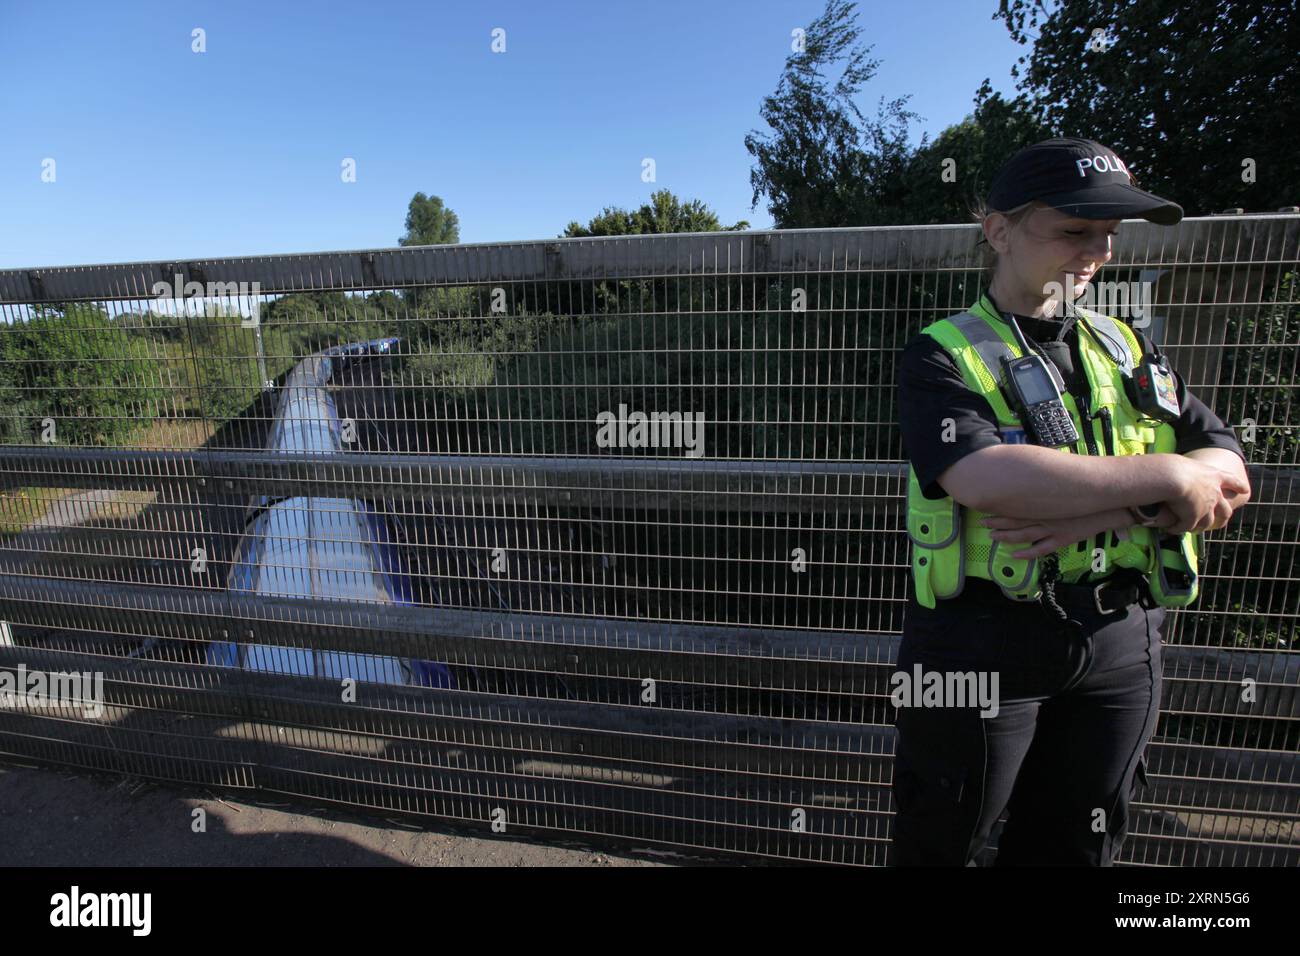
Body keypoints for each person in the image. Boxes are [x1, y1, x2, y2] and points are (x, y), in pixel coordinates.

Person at [890, 137, 1252, 866]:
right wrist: (1170, 479)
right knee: (941, 844)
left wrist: (1108, 508)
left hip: (1122, 641)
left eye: (1108, 234)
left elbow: (1229, 470)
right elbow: (987, 479)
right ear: (998, 231)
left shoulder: (1129, 346)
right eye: (1074, 230)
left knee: (1077, 848)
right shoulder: (941, 354)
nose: (1097, 251)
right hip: (977, 642)